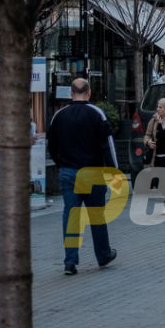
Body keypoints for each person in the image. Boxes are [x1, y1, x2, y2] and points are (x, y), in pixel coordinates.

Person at [48, 77, 119, 276]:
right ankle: (103, 255)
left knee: (71, 216)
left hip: (68, 173)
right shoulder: (97, 114)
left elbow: (51, 146)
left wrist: (61, 164)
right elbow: (108, 146)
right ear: (88, 93)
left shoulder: (59, 115)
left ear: (71, 93)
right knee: (96, 215)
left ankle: (70, 262)